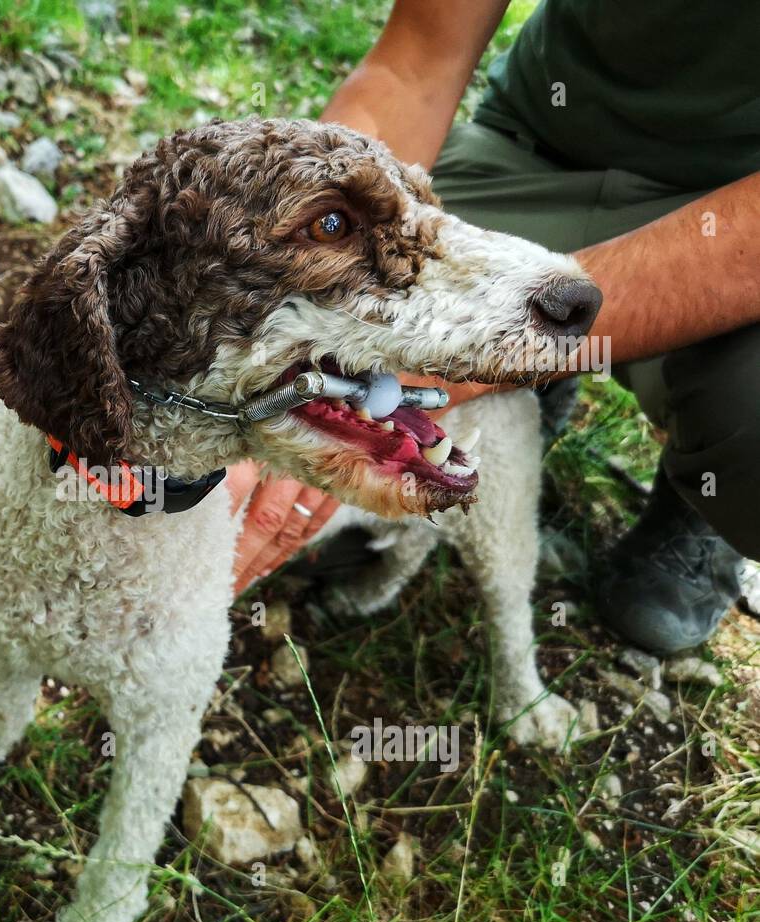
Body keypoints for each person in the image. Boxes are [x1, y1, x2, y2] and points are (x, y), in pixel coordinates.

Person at [229, 0, 760, 654]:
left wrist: (492, 347)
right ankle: (533, 383)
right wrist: (287, 325)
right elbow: (416, 64)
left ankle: (698, 496)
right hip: (544, 148)